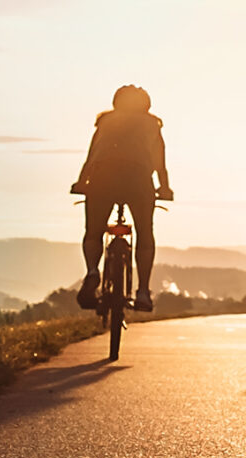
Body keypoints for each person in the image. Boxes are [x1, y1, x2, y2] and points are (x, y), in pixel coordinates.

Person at [72, 83, 171, 311]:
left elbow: (92, 156)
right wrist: (164, 188)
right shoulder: (152, 124)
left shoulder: (105, 122)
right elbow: (159, 162)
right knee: (145, 234)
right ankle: (143, 292)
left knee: (93, 232)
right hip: (137, 179)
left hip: (102, 178)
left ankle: (92, 271)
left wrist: (81, 183)